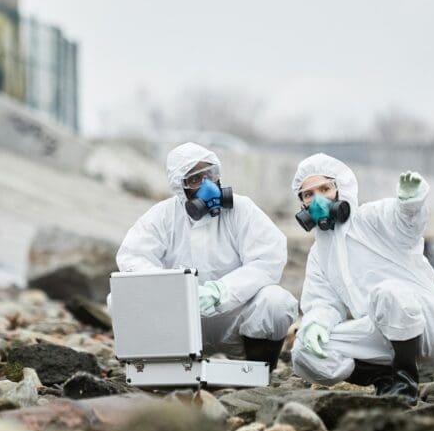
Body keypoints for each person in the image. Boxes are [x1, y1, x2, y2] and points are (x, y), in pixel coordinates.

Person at [289, 154, 434, 404]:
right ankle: (385, 379)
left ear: (341, 189)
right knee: (304, 351)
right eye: (308, 194)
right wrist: (315, 323)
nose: (317, 200)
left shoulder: (371, 218)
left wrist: (410, 201)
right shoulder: (319, 253)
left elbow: (406, 223)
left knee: (388, 292)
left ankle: (406, 382)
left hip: (427, 325)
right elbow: (322, 303)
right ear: (302, 203)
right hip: (380, 332)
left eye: (325, 189)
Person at [115, 142, 298, 371]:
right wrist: (174, 292)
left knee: (276, 302)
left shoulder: (242, 210)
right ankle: (164, 371)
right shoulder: (161, 217)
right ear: (180, 187)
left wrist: (221, 292)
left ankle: (258, 374)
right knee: (119, 298)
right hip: (178, 324)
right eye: (194, 179)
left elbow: (268, 258)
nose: (207, 184)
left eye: (209, 174)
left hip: (235, 320)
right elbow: (132, 258)